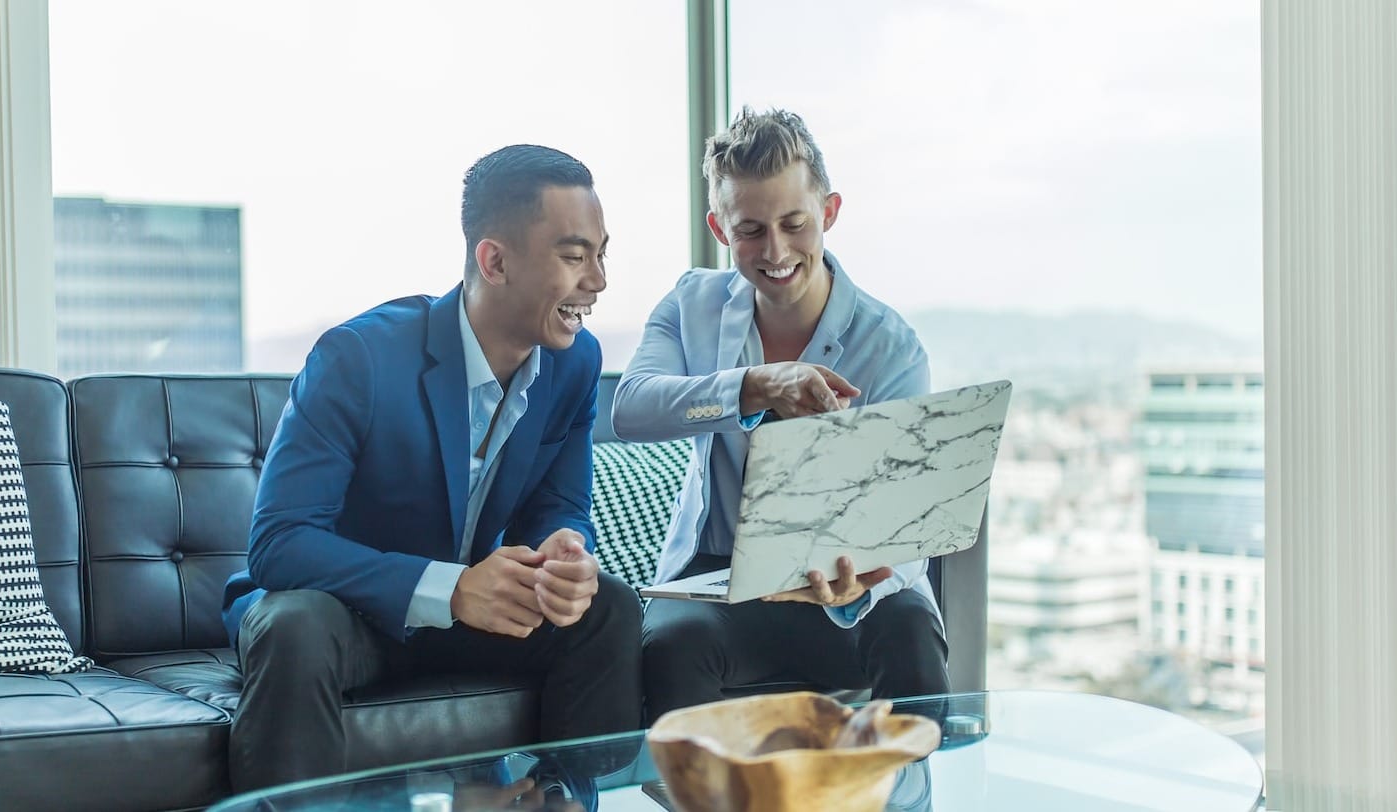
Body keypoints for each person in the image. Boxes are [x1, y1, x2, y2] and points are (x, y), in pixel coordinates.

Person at [221, 145, 641, 792]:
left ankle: (560, 799)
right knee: (293, 626)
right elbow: (279, 545)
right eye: (574, 255)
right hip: (350, 614)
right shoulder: (357, 358)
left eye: (601, 253)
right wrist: (450, 589)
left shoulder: (575, 362)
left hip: (468, 616)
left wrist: (565, 549)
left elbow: (559, 505)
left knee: (606, 607)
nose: (599, 280)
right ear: (495, 261)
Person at [612, 107, 951, 722]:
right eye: (750, 231)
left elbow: (909, 522)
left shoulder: (891, 346)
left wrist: (863, 579)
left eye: (795, 223)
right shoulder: (691, 305)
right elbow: (631, 408)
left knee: (910, 629)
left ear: (830, 212)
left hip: (846, 583)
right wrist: (754, 386)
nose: (776, 251)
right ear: (719, 228)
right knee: (670, 644)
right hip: (720, 580)